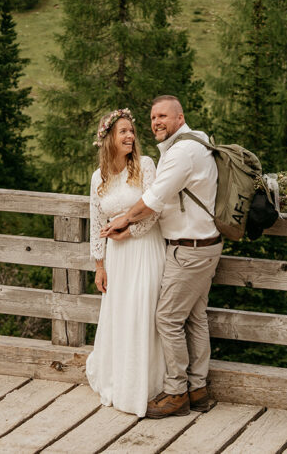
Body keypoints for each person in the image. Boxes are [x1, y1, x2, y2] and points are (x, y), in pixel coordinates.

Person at [102, 95, 222, 418]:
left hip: (189, 249)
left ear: (180, 117)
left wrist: (125, 219)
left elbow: (152, 200)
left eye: (163, 117)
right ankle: (198, 389)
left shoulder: (182, 152)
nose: (156, 123)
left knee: (166, 319)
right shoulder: (200, 142)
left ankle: (175, 392)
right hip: (206, 246)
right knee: (195, 318)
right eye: (153, 117)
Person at [85, 109, 165, 417]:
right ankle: (119, 379)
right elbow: (96, 223)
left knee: (142, 312)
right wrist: (100, 265)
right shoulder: (98, 178)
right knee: (120, 315)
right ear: (109, 138)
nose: (130, 136)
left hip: (144, 248)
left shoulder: (145, 166)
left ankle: (146, 385)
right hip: (116, 258)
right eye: (123, 132)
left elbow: (156, 210)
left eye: (132, 131)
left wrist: (129, 230)